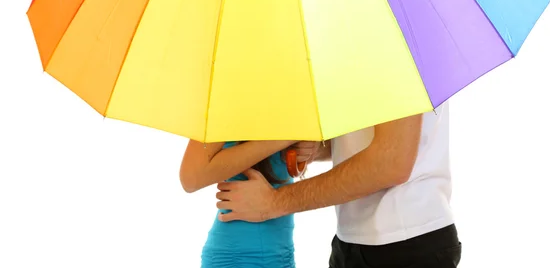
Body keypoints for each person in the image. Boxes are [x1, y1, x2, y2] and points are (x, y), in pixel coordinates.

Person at [216, 103, 462, 267]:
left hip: (408, 244)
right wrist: (318, 148)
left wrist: (273, 202)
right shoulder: (360, 41)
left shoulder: (404, 36)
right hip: (352, 242)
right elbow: (367, 140)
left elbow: (391, 162)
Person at [179, 139, 300, 268]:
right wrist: (286, 139)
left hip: (282, 255)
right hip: (235, 257)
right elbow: (191, 178)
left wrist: (307, 150)